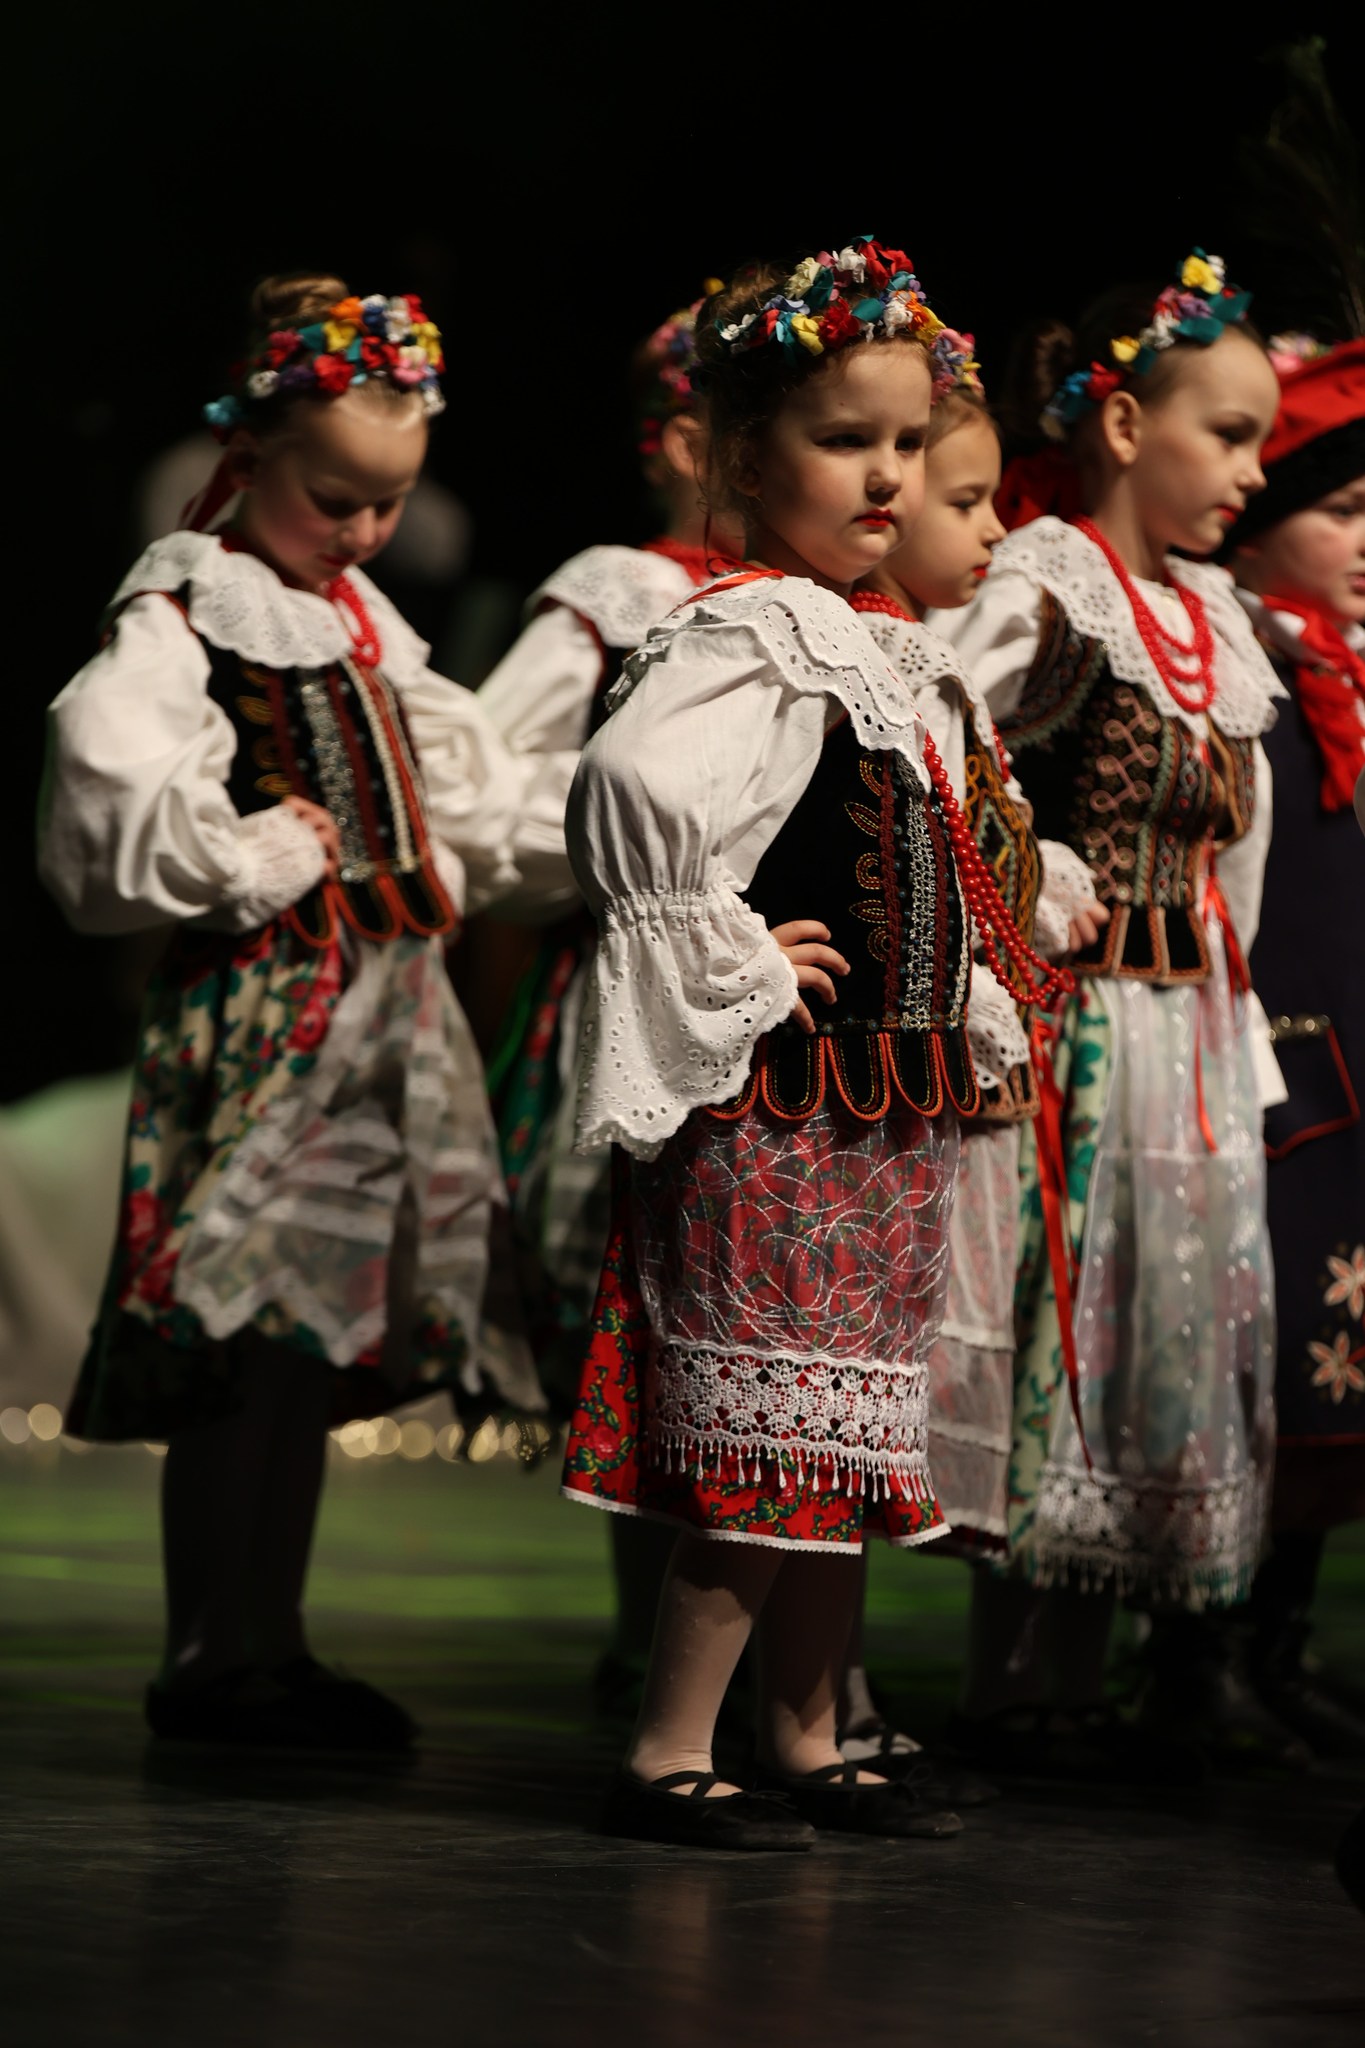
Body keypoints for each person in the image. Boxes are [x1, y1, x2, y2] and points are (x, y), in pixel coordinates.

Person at [38, 274, 576, 1751]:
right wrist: (246, 855)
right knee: (242, 1337)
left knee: (307, 1349)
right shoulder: (191, 598)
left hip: (381, 1012)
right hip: (272, 1013)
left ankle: (269, 1637)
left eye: (387, 504)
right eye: (334, 498)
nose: (362, 531)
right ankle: (208, 1648)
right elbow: (103, 776)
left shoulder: (354, 619)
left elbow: (460, 786)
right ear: (250, 452)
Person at [559, 237, 997, 1851]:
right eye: (841, 439)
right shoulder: (746, 632)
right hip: (778, 1108)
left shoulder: (875, 641)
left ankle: (807, 1734)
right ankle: (670, 1744)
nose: (886, 474)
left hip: (881, 1110)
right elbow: (630, 793)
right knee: (760, 1432)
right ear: (745, 458)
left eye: (904, 442)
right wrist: (732, 948)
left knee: (845, 1440)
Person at [935, 253, 1287, 1777]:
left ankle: (1097, 1671)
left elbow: (1231, 865)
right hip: (1078, 1030)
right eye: (1229, 433)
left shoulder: (1214, 615)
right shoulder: (1047, 578)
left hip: (1185, 1035)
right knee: (1063, 1317)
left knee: (1160, 1323)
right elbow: (934, 726)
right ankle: (1018, 1683)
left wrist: (1237, 1030)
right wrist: (1029, 880)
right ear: (1127, 425)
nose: (1250, 471)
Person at [477, 299, 742, 1715]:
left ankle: (749, 1652)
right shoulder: (622, 592)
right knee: (642, 1294)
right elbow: (491, 781)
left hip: (778, 999)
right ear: (687, 441)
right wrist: (629, 866)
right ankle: (653, 1641)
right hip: (634, 985)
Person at [842, 334, 1102, 1775]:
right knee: (864, 1386)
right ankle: (812, 1693)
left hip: (965, 1097)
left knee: (907, 1393)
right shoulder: (851, 669)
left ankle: (834, 1690)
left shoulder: (931, 676)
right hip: (881, 1093)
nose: (996, 528)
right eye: (967, 501)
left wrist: (1035, 875)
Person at [1225, 335, 1365, 1757]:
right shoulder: (1240, 675)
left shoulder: (1346, 675)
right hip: (1272, 1064)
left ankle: (1276, 1640)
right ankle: (1192, 1651)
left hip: (1347, 1071)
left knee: (1336, 1371)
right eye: (1343, 512)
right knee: (1256, 1367)